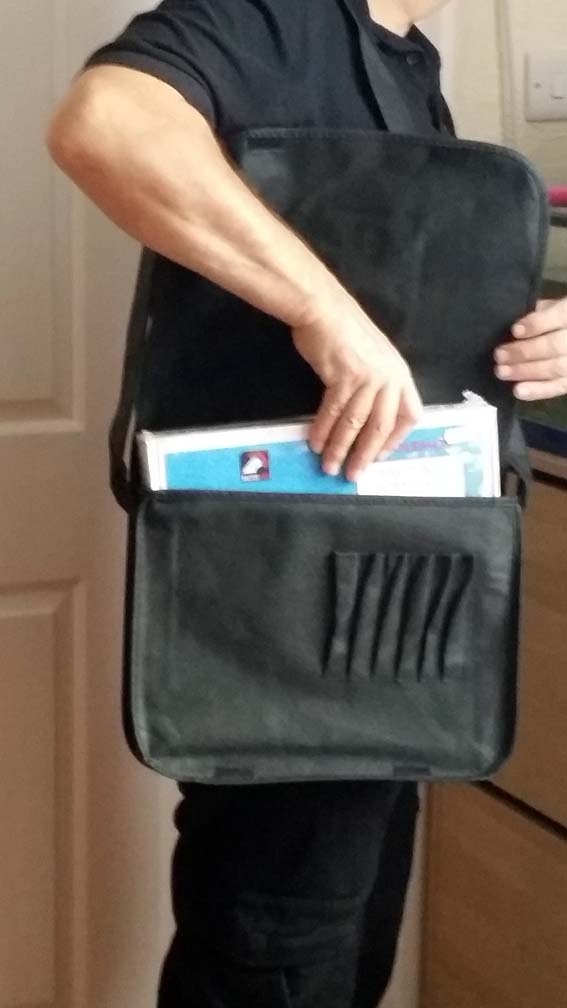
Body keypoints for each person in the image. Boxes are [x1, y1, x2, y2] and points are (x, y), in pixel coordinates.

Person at [47, 2, 567, 1005]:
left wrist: (530, 335)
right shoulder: (275, 18)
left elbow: (403, 313)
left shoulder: (407, 66)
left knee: (341, 939)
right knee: (278, 950)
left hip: (383, 632)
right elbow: (105, 123)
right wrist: (324, 311)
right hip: (287, 628)